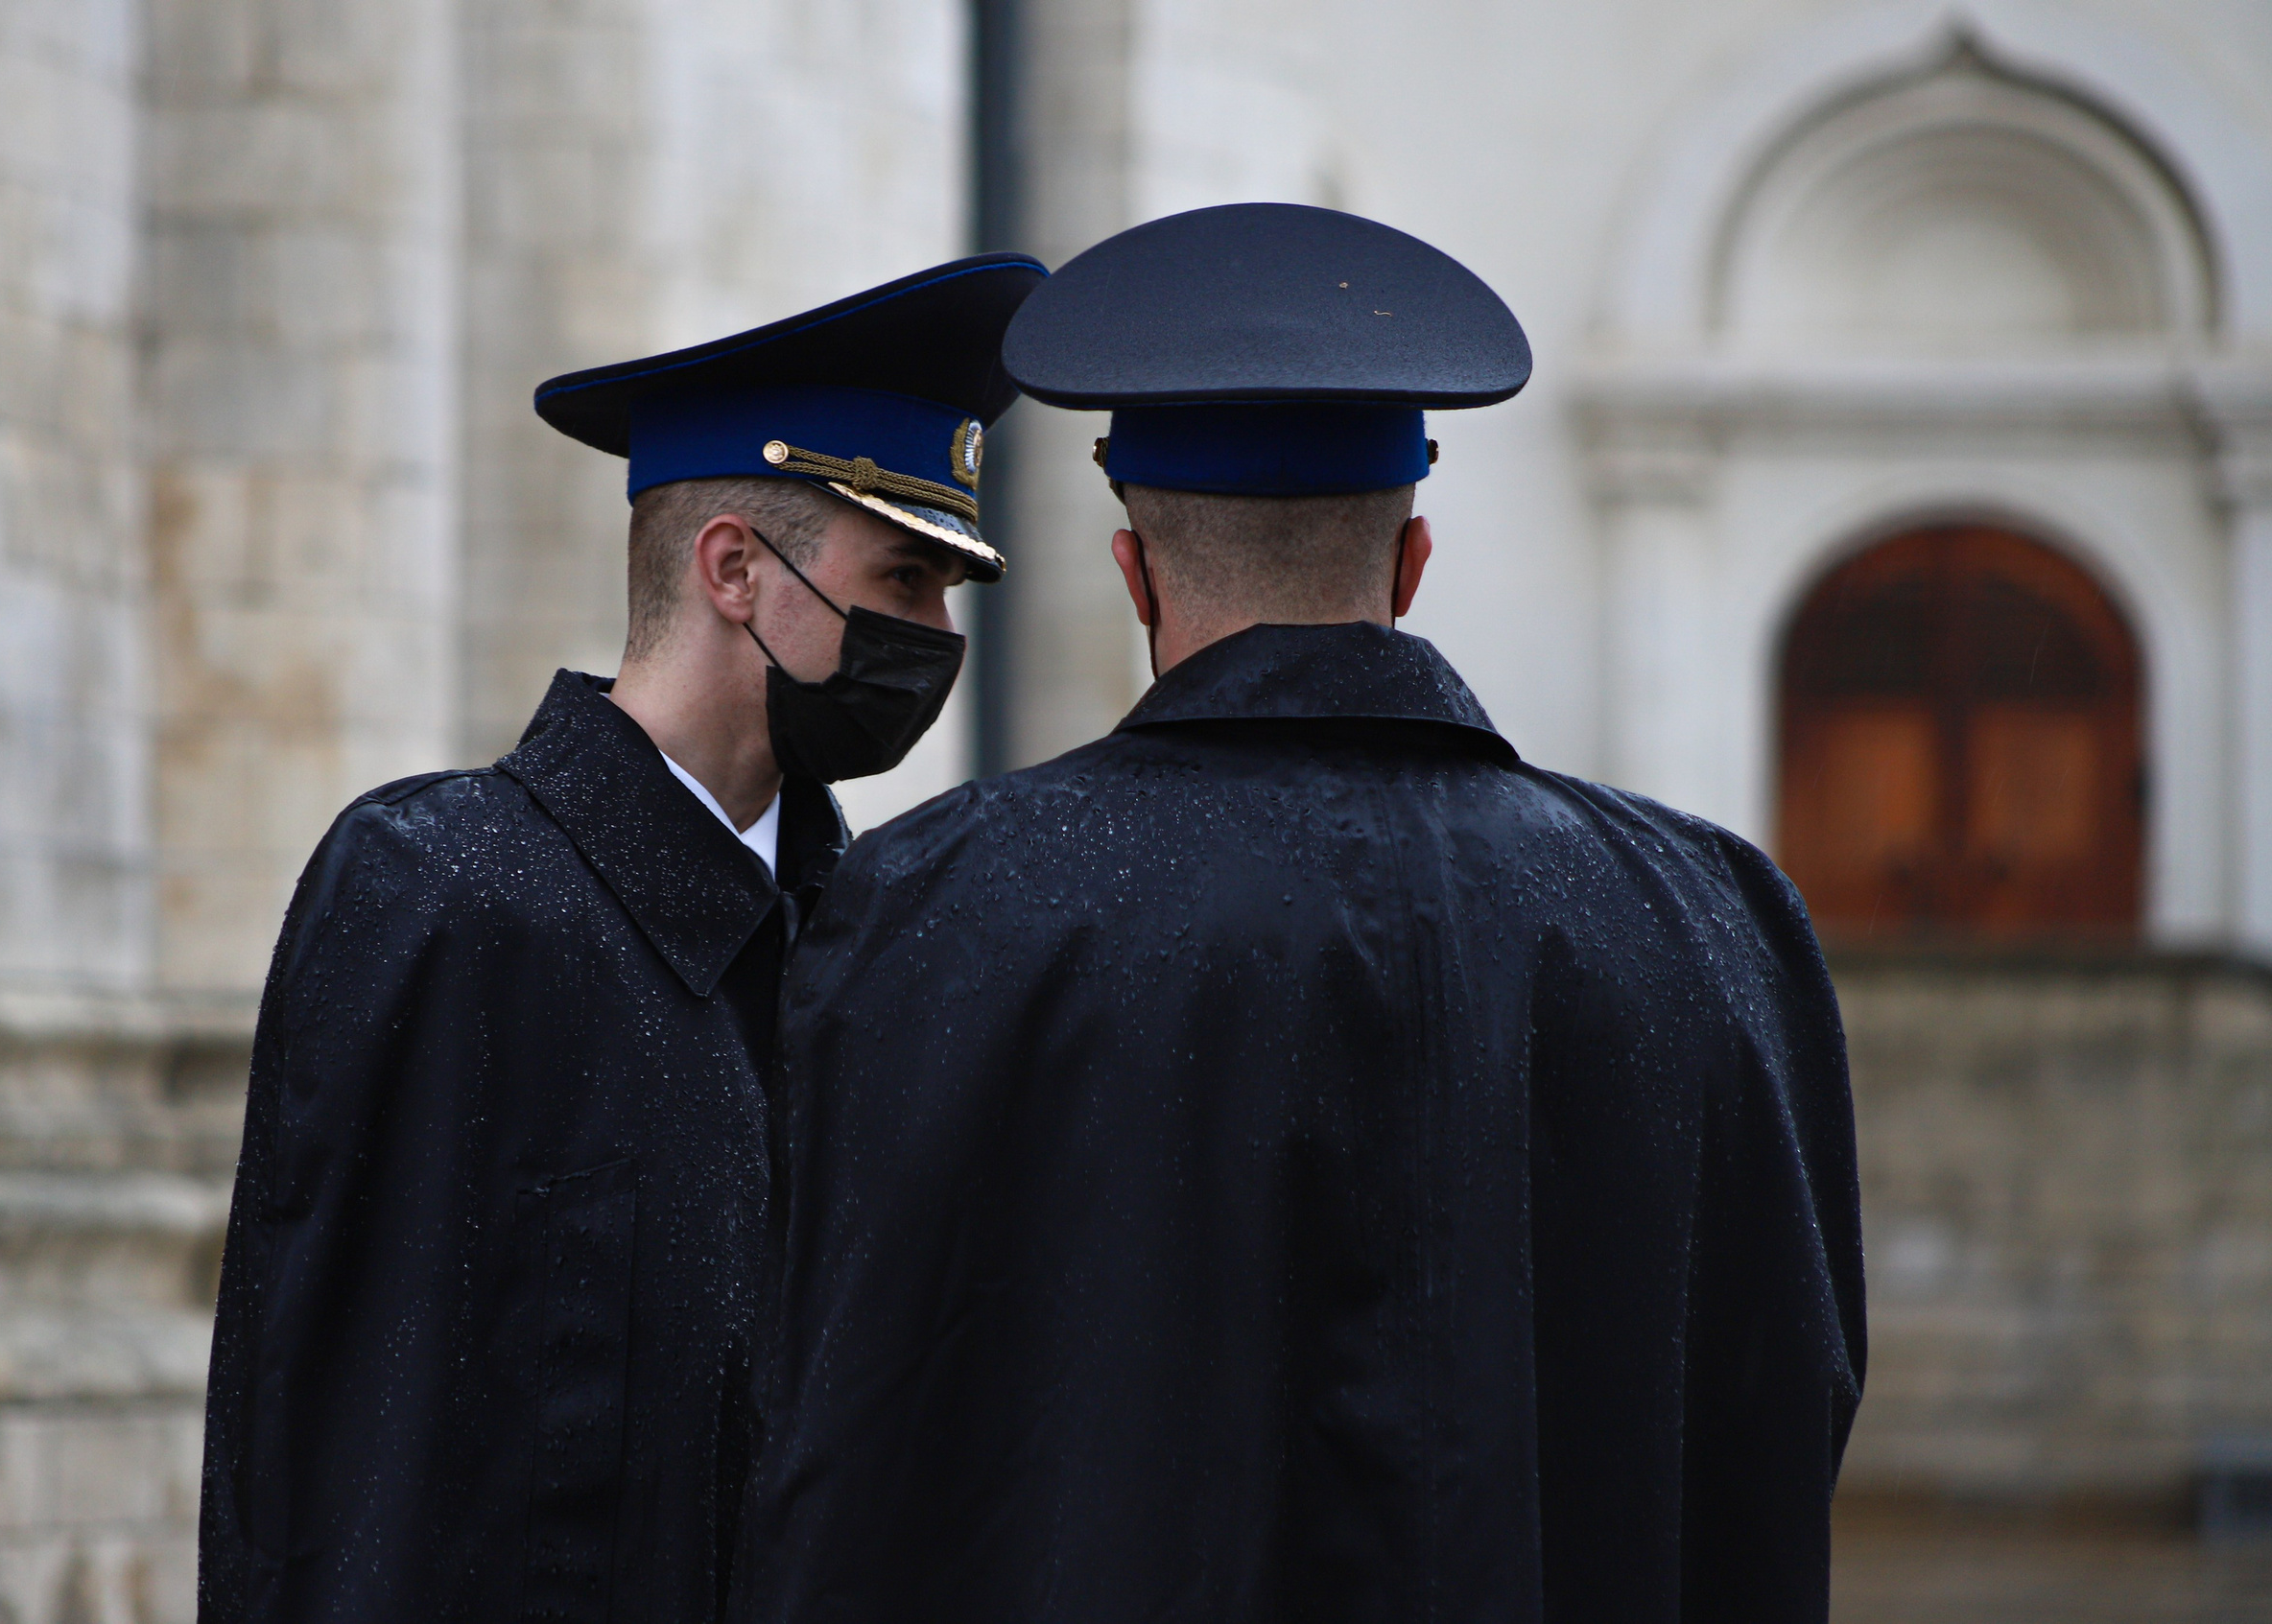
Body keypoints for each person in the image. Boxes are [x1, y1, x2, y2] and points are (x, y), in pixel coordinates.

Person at [743, 206, 1865, 1623]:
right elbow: (1783, 1410)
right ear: (1410, 566)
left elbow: (843, 1435)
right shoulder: (1715, 916)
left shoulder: (935, 905)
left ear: (1136, 575)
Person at [198, 252, 1046, 1624]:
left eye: (951, 589)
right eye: (903, 577)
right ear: (732, 568)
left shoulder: (874, 937)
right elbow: (331, 1448)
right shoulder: (446, 891)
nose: (937, 637)